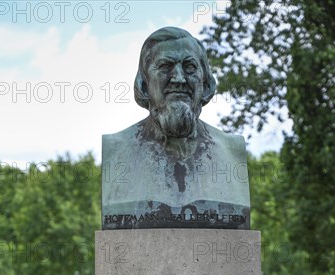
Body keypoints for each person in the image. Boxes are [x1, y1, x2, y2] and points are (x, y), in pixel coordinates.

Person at [102, 27, 250, 230]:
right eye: (165, 67)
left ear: (205, 85)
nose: (179, 78)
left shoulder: (232, 150)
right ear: (144, 84)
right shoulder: (116, 149)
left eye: (189, 67)